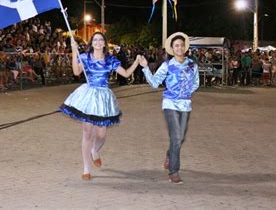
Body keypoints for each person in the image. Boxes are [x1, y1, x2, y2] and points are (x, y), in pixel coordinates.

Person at [59, 32, 141, 181]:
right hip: (88, 96)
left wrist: (136, 61)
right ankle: (86, 168)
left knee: (102, 134)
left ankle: (94, 150)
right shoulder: (85, 57)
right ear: (92, 43)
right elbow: (76, 72)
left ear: (104, 43)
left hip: (103, 97)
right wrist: (73, 51)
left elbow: (127, 73)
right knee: (87, 132)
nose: (97, 42)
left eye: (100, 40)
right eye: (95, 40)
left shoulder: (110, 60)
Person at [139, 32, 200, 184]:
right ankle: (174, 171)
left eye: (181, 45)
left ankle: (169, 155)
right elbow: (154, 83)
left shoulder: (192, 65)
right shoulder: (167, 66)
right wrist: (146, 68)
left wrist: (186, 92)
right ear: (172, 48)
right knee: (177, 137)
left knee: (180, 138)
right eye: (176, 45)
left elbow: (196, 83)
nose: (179, 48)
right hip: (170, 104)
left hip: (185, 104)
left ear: (185, 47)